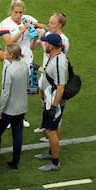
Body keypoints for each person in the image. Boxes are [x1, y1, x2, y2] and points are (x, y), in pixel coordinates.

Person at [0, 0, 47, 128]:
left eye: (21, 12)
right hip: (10, 61)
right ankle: (5, 115)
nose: (19, 15)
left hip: (26, 60)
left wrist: (35, 26)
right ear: (11, 11)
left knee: (23, 90)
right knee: (8, 88)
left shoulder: (27, 18)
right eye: (16, 12)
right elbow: (9, 42)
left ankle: (21, 117)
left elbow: (44, 27)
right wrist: (21, 30)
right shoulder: (5, 23)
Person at [0, 43, 29, 173]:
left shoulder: (9, 69)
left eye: (6, 51)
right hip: (22, 107)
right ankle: (15, 163)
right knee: (18, 134)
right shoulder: (24, 65)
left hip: (9, 109)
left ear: (11, 55)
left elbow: (6, 92)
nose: (4, 53)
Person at [31, 13, 69, 142]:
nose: (49, 25)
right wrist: (35, 36)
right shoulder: (49, 35)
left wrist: (42, 40)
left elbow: (52, 55)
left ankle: (52, 132)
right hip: (45, 74)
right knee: (44, 99)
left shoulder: (63, 40)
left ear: (60, 25)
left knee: (53, 105)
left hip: (54, 77)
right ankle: (45, 125)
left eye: (52, 23)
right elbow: (32, 47)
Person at [34, 33, 68, 171]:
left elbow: (61, 86)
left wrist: (54, 106)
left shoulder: (59, 62)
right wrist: (40, 69)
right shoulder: (53, 57)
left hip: (54, 101)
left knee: (51, 130)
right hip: (50, 99)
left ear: (52, 46)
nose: (44, 45)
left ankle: (55, 163)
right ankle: (51, 153)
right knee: (52, 128)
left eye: (46, 43)